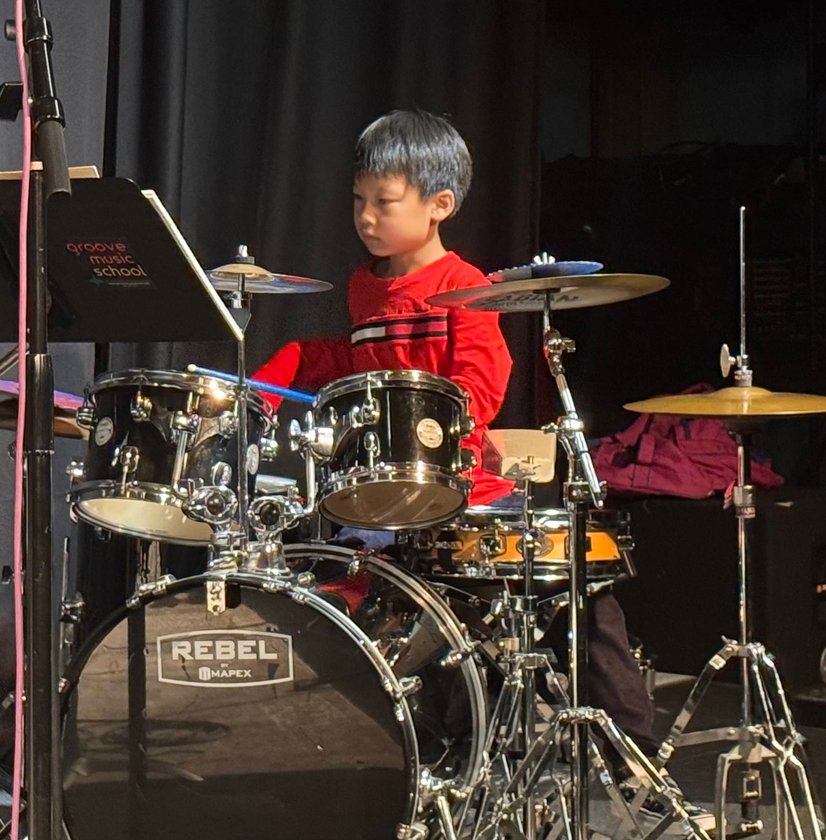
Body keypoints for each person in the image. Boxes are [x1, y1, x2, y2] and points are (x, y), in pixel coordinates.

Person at [254, 108, 713, 834]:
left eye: (384, 201)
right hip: (389, 499)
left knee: (581, 587)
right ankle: (430, 755)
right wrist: (279, 374)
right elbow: (350, 358)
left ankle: (631, 752)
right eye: (358, 200)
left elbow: (481, 380)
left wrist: (448, 417)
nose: (366, 217)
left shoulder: (464, 288)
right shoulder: (364, 287)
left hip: (466, 489)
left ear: (439, 206)